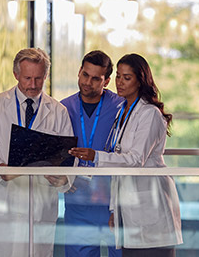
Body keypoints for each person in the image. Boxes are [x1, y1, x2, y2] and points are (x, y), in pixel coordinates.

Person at [69, 53, 183, 257]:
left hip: (150, 207)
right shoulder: (123, 110)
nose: (120, 83)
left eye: (127, 78)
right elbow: (119, 165)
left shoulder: (149, 114)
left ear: (141, 81)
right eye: (119, 77)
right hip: (127, 209)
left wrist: (95, 156)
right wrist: (115, 211)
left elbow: (134, 160)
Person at [0, 48, 74, 257]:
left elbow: (69, 158)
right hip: (5, 197)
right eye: (27, 78)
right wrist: (2, 169)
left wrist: (62, 178)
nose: (33, 85)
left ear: (46, 76)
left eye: (39, 78)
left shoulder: (58, 111)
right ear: (16, 74)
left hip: (41, 203)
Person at [60, 50, 123, 257]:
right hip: (78, 203)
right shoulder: (62, 108)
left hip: (114, 204)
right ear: (79, 72)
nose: (88, 82)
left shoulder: (120, 107)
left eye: (96, 78)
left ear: (106, 81)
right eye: (85, 75)